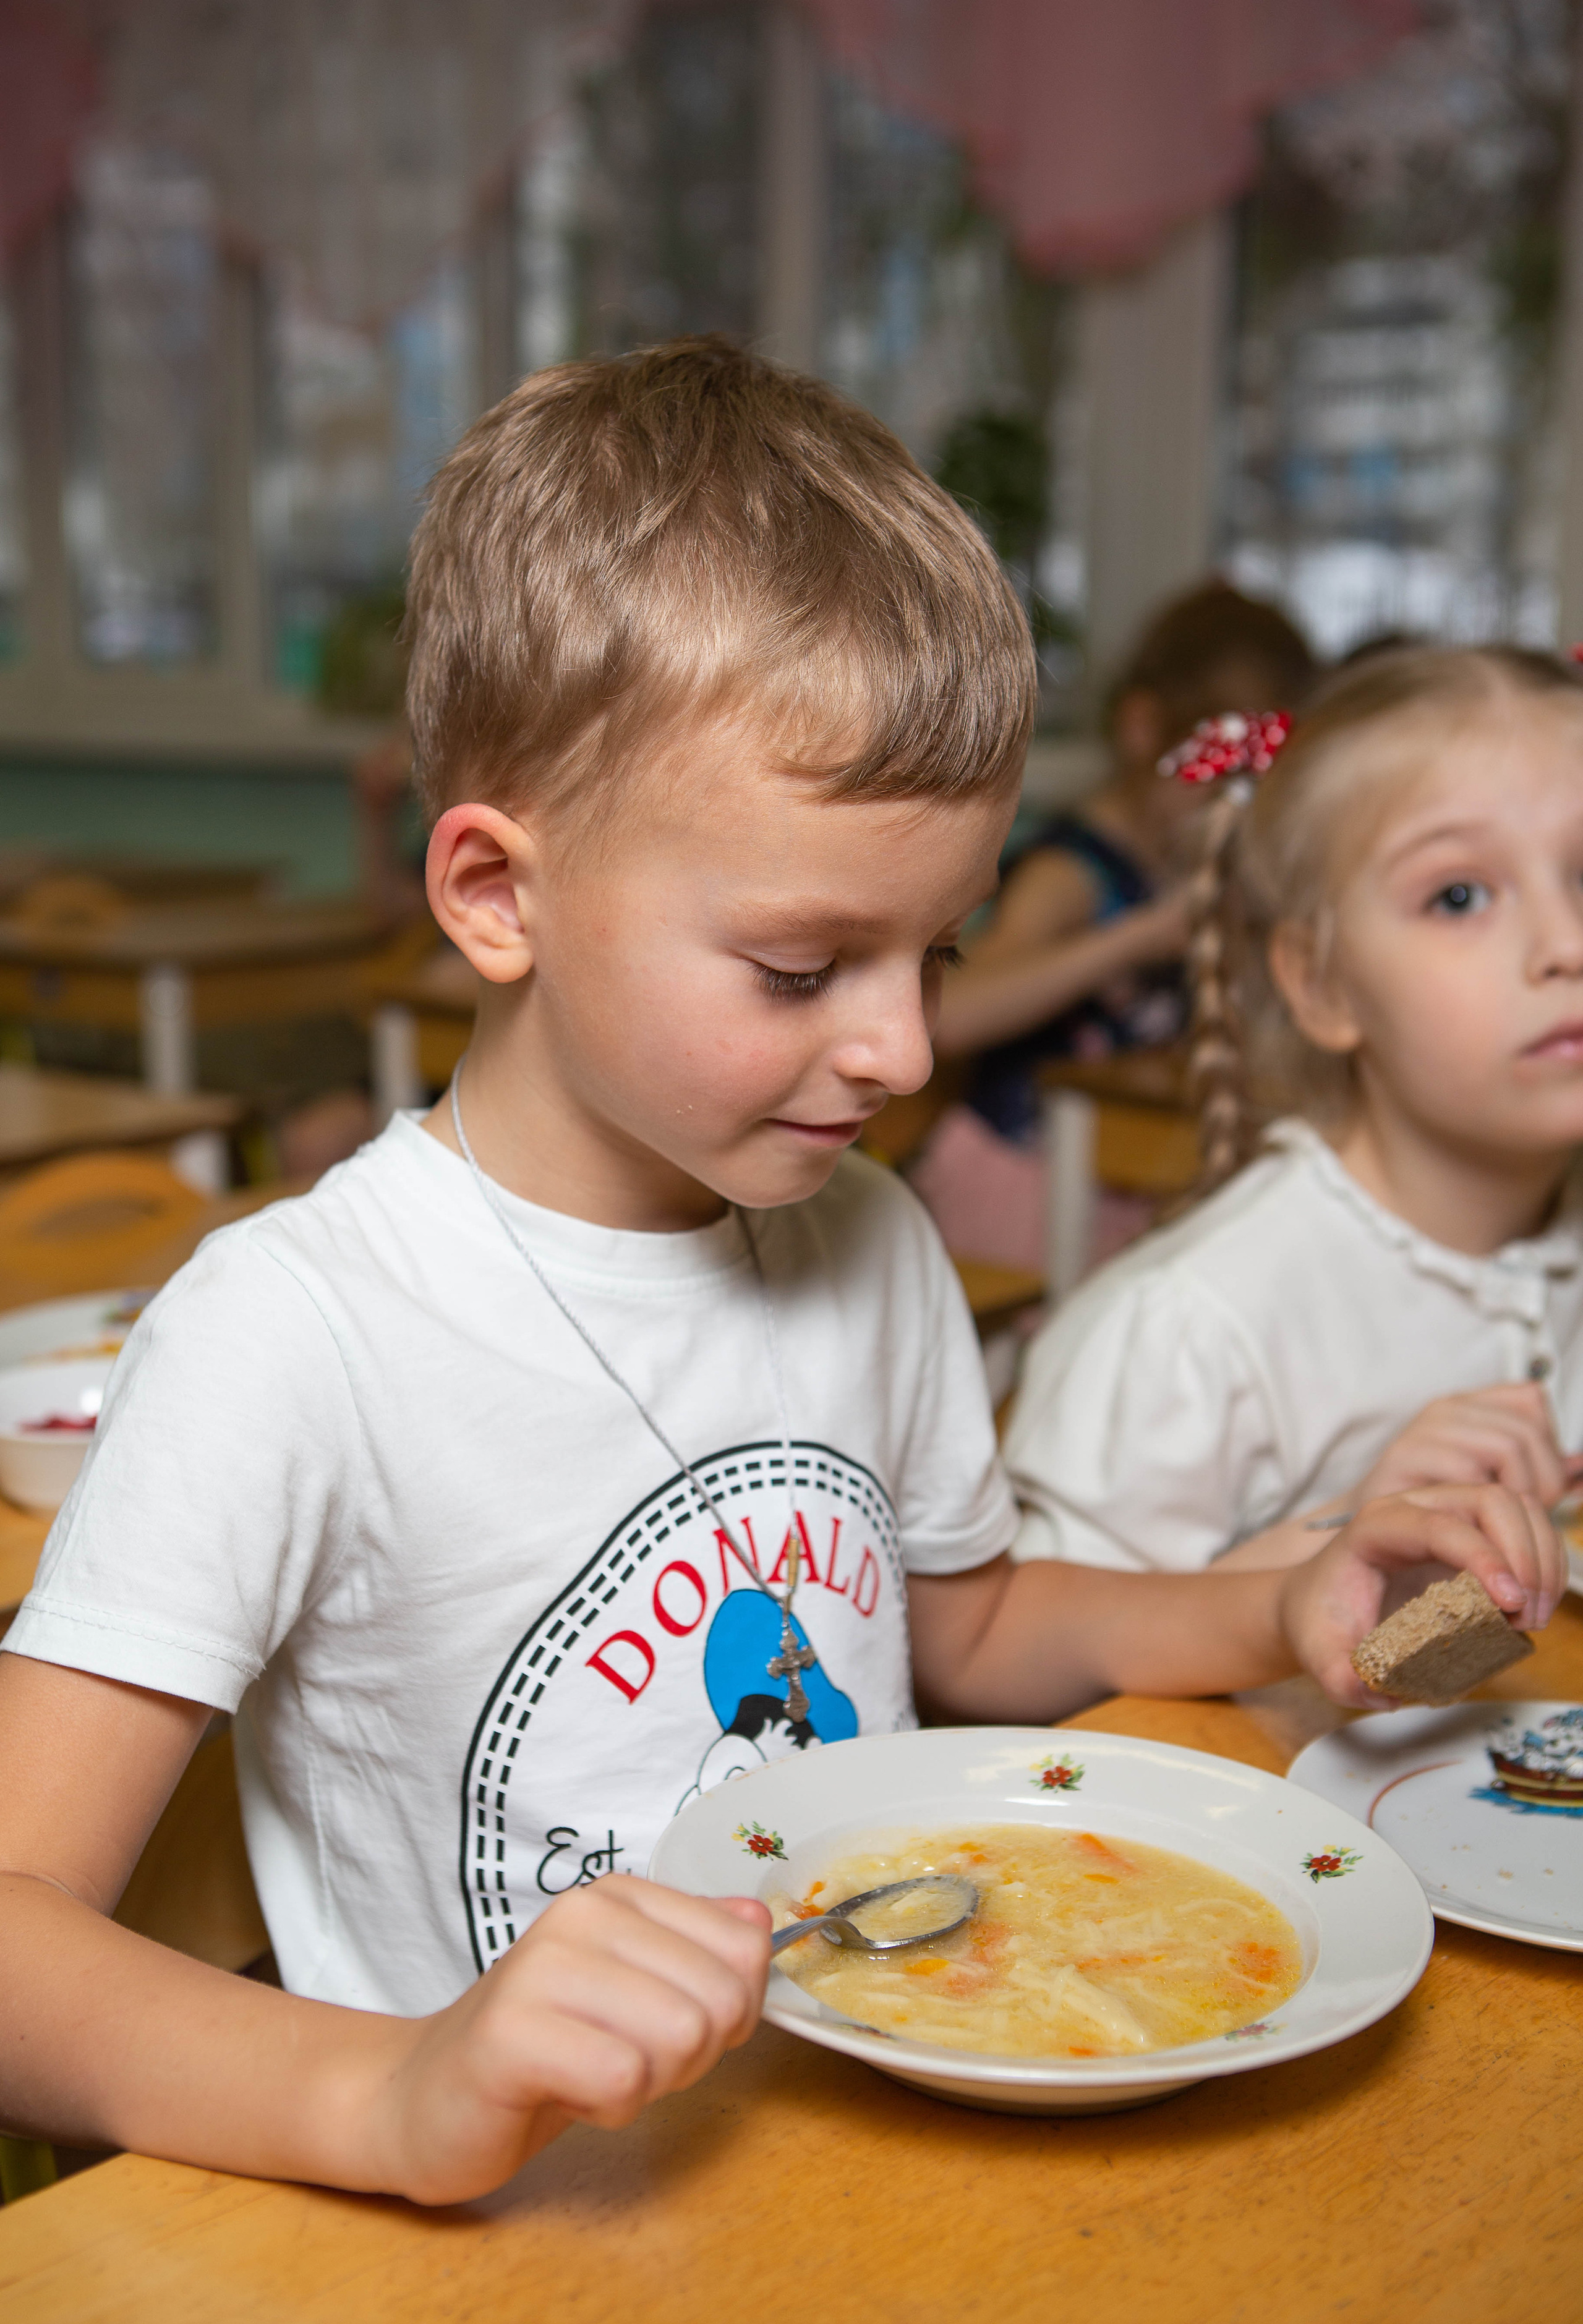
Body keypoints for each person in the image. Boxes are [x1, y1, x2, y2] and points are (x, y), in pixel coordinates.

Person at [0, 352, 1559, 2208]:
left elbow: (966, 1637)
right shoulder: (292, 1330)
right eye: (802, 965)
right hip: (509, 2244)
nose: (904, 1044)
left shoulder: (868, 1240)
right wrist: (396, 2090)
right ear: (498, 892)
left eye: (942, 945)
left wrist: (1278, 1602)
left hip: (871, 2155)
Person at [1004, 645, 1583, 1574]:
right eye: (1460, 895)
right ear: (1321, 985)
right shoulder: (1191, 1328)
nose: (1565, 943)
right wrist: (1344, 1534)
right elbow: (1023, 1672)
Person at [912, 581, 1315, 1268]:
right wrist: (1137, 938)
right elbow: (951, 1014)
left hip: (1115, 1172)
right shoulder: (1072, 873)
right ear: (1142, 730)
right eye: (1214, 785)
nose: (1230, 811)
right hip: (1014, 1178)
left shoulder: (1178, 866)